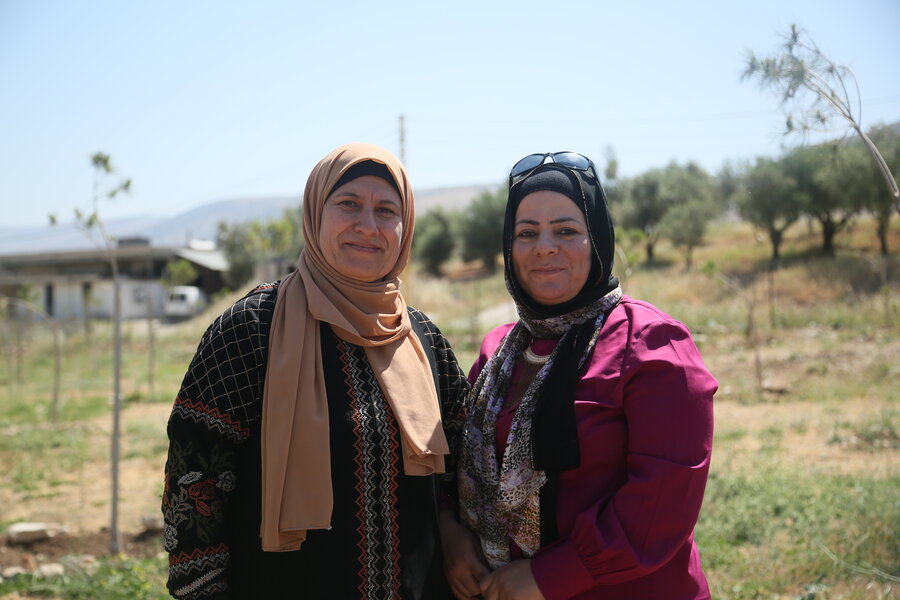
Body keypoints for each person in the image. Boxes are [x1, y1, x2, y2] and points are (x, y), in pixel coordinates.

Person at [162, 142, 469, 599]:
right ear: (315, 213)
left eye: (387, 210)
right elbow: (194, 488)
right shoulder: (252, 329)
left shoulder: (423, 340)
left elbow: (463, 475)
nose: (368, 226)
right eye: (349, 204)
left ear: (405, 228)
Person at [440, 152, 717, 600]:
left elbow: (663, 502)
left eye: (566, 230)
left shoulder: (651, 343)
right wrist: (452, 533)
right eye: (526, 233)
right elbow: (455, 462)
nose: (544, 247)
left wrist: (549, 575)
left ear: (598, 240)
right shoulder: (499, 350)